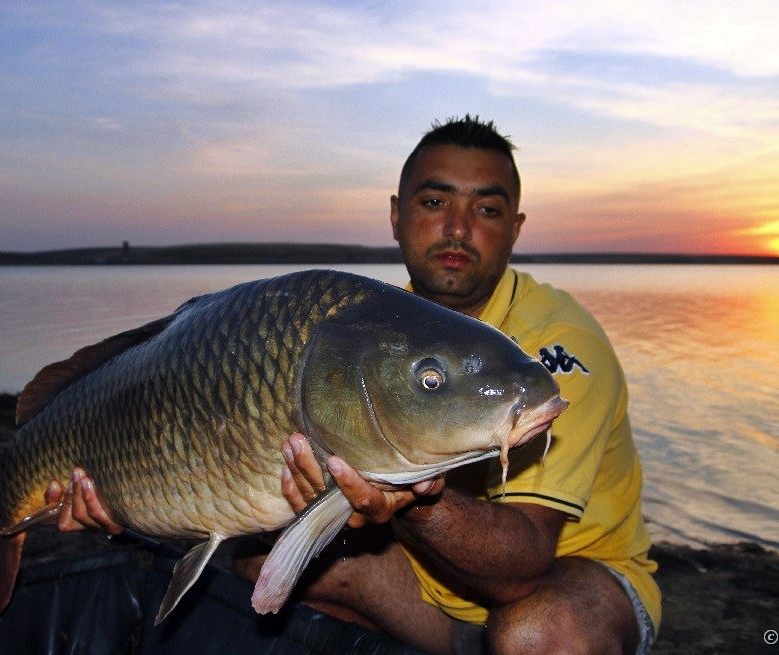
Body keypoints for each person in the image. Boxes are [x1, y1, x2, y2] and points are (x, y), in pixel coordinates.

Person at [46, 116, 660, 655]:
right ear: (396, 215)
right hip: (429, 595)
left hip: (567, 583)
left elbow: (518, 570)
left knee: (538, 634)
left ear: (516, 227)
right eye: (434, 202)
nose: (457, 229)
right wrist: (131, 503)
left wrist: (413, 495)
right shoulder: (372, 325)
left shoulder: (558, 343)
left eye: (487, 209)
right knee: (260, 563)